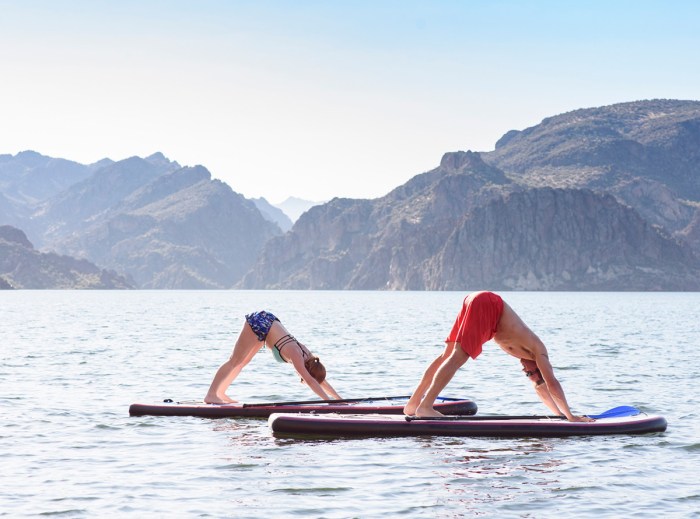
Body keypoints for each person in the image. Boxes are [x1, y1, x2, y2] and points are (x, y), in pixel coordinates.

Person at [404, 291, 593, 422]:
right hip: (488, 304)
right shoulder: (539, 351)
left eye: (528, 376)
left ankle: (413, 404)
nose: (526, 372)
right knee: (457, 357)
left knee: (447, 356)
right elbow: (550, 384)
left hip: (477, 301)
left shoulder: (526, 354)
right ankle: (425, 406)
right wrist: (571, 416)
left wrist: (559, 415)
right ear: (538, 368)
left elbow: (541, 389)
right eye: (531, 373)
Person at [205, 310, 342, 404]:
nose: (306, 381)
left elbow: (319, 381)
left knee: (242, 363)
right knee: (235, 360)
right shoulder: (297, 355)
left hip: (269, 324)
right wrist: (328, 403)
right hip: (260, 322)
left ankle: (221, 392)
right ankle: (211, 394)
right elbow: (311, 381)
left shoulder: (309, 357)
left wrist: (339, 400)